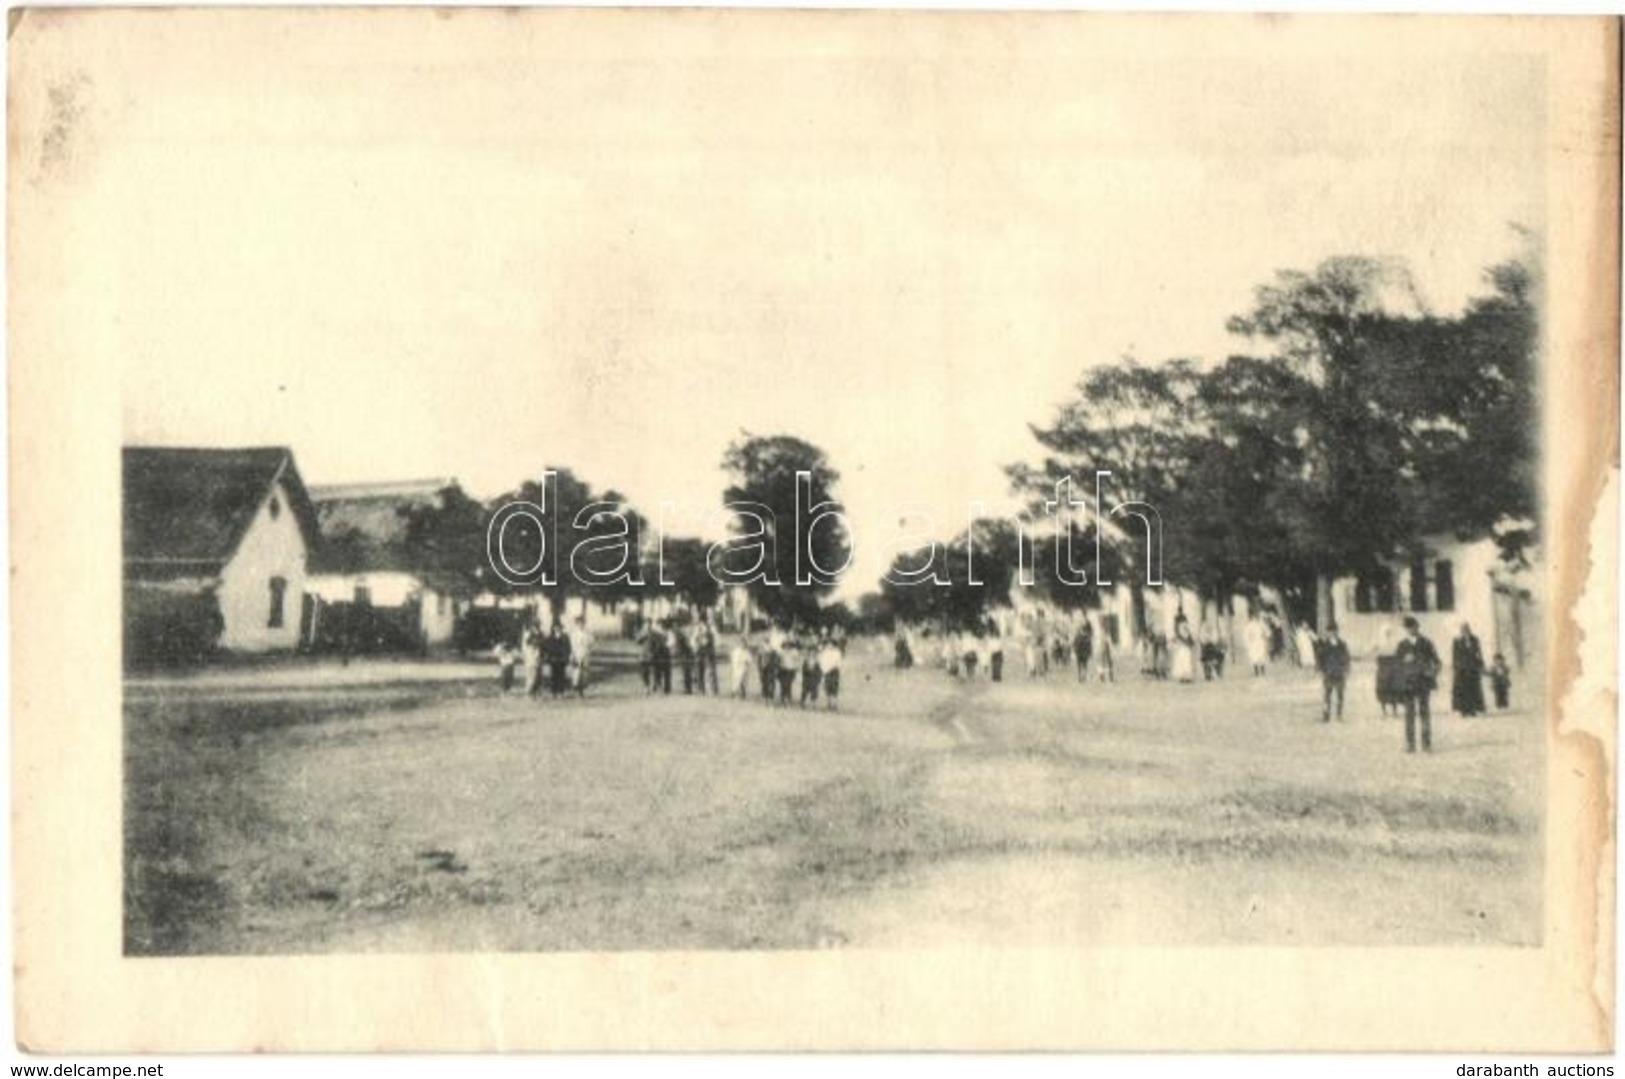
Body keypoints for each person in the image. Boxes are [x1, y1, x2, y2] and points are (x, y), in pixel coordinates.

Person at [1395, 616, 1441, 753]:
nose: (1410, 630)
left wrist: (1432, 673)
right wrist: (1404, 660)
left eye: (1413, 627)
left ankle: (1426, 743)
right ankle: (1410, 743)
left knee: (1424, 712)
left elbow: (1437, 662)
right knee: (1409, 713)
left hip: (1423, 682)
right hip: (1408, 683)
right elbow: (1396, 664)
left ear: (1417, 627)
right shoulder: (1402, 645)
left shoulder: (1427, 643)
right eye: (1408, 628)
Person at [1315, 623, 1351, 722]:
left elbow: (1346, 657)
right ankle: (1326, 715)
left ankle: (1339, 715)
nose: (1333, 634)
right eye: (1330, 632)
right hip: (1328, 673)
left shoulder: (1342, 644)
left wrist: (1347, 669)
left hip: (1339, 673)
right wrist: (1320, 670)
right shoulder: (1324, 645)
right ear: (1327, 633)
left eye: (1334, 631)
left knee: (1340, 695)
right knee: (1327, 695)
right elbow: (1319, 658)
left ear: (1337, 632)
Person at [1452, 622, 1487, 717]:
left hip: (1473, 668)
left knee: (1473, 689)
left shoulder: (1475, 640)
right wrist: (1456, 668)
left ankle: (1473, 709)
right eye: (1463, 630)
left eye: (1467, 629)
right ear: (1461, 631)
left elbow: (1479, 653)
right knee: (1463, 690)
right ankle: (1464, 710)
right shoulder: (1457, 641)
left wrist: (1481, 665)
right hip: (1462, 669)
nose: (1465, 631)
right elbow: (1455, 656)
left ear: (1469, 630)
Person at [567, 616, 594, 698]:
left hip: (585, 654)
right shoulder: (574, 634)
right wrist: (573, 655)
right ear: (576, 624)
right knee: (577, 673)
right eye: (579, 623)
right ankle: (576, 690)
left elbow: (591, 643)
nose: (581, 625)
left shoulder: (587, 634)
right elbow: (572, 646)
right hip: (577, 654)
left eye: (582, 623)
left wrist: (588, 651)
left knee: (584, 673)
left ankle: (582, 690)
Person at [693, 618, 719, 696]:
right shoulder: (697, 630)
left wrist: (700, 640)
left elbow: (709, 641)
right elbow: (693, 641)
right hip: (700, 652)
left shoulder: (711, 630)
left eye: (702, 623)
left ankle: (713, 690)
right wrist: (696, 646)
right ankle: (701, 689)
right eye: (700, 624)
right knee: (699, 671)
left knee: (711, 672)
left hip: (709, 653)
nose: (701, 625)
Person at [545, 621, 572, 698]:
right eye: (556, 627)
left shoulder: (565, 637)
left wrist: (566, 657)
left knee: (561, 675)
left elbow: (568, 648)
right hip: (553, 659)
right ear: (553, 628)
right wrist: (548, 657)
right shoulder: (550, 638)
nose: (557, 629)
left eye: (559, 627)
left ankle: (561, 692)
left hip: (562, 659)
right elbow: (547, 648)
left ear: (561, 628)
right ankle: (554, 692)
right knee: (553, 676)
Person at [820, 635, 844, 710]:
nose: (829, 645)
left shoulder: (837, 653)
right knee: (827, 688)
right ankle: (829, 704)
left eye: (831, 644)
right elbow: (822, 662)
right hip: (826, 672)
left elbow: (838, 663)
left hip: (834, 671)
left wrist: (833, 668)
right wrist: (824, 670)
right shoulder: (824, 652)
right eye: (828, 644)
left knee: (834, 689)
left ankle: (834, 704)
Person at [522, 623, 544, 698]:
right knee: (530, 677)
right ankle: (529, 692)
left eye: (537, 625)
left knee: (537, 676)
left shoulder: (541, 634)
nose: (536, 627)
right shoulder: (530, 635)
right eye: (534, 626)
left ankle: (535, 692)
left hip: (537, 660)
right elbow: (526, 646)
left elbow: (542, 646)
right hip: (530, 661)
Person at [730, 634, 754, 700]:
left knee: (744, 681)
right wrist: (737, 664)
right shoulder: (737, 651)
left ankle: (743, 693)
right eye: (742, 643)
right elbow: (734, 660)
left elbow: (750, 659)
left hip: (745, 668)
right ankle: (734, 693)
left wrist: (747, 662)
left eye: (745, 643)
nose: (743, 644)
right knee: (737, 680)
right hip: (738, 668)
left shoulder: (747, 651)